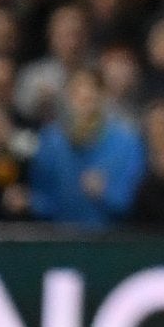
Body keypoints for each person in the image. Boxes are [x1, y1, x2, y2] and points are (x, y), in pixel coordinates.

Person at [27, 67, 145, 228]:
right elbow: (43, 197)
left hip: (112, 236)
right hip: (59, 236)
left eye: (93, 90)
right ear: (66, 97)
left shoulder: (127, 141)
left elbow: (134, 202)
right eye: (76, 91)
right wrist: (28, 201)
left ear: (104, 95)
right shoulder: (50, 139)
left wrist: (105, 193)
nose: (85, 95)